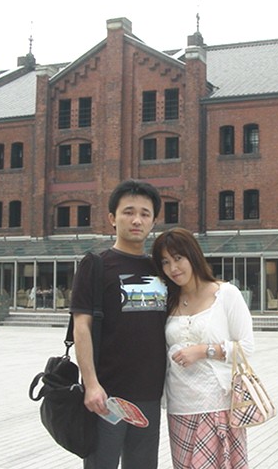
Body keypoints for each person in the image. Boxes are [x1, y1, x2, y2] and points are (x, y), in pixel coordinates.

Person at [71, 180, 167, 469]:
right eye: (128, 212)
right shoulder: (96, 265)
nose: (137, 220)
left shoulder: (160, 268)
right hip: (107, 396)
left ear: (153, 221)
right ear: (112, 218)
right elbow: (81, 327)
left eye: (145, 214)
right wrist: (91, 385)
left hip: (149, 395)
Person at [151, 227, 254, 469]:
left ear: (193, 255)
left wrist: (202, 350)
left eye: (178, 258)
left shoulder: (226, 294)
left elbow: (246, 348)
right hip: (179, 406)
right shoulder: (168, 300)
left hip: (217, 403)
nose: (173, 268)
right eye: (165, 262)